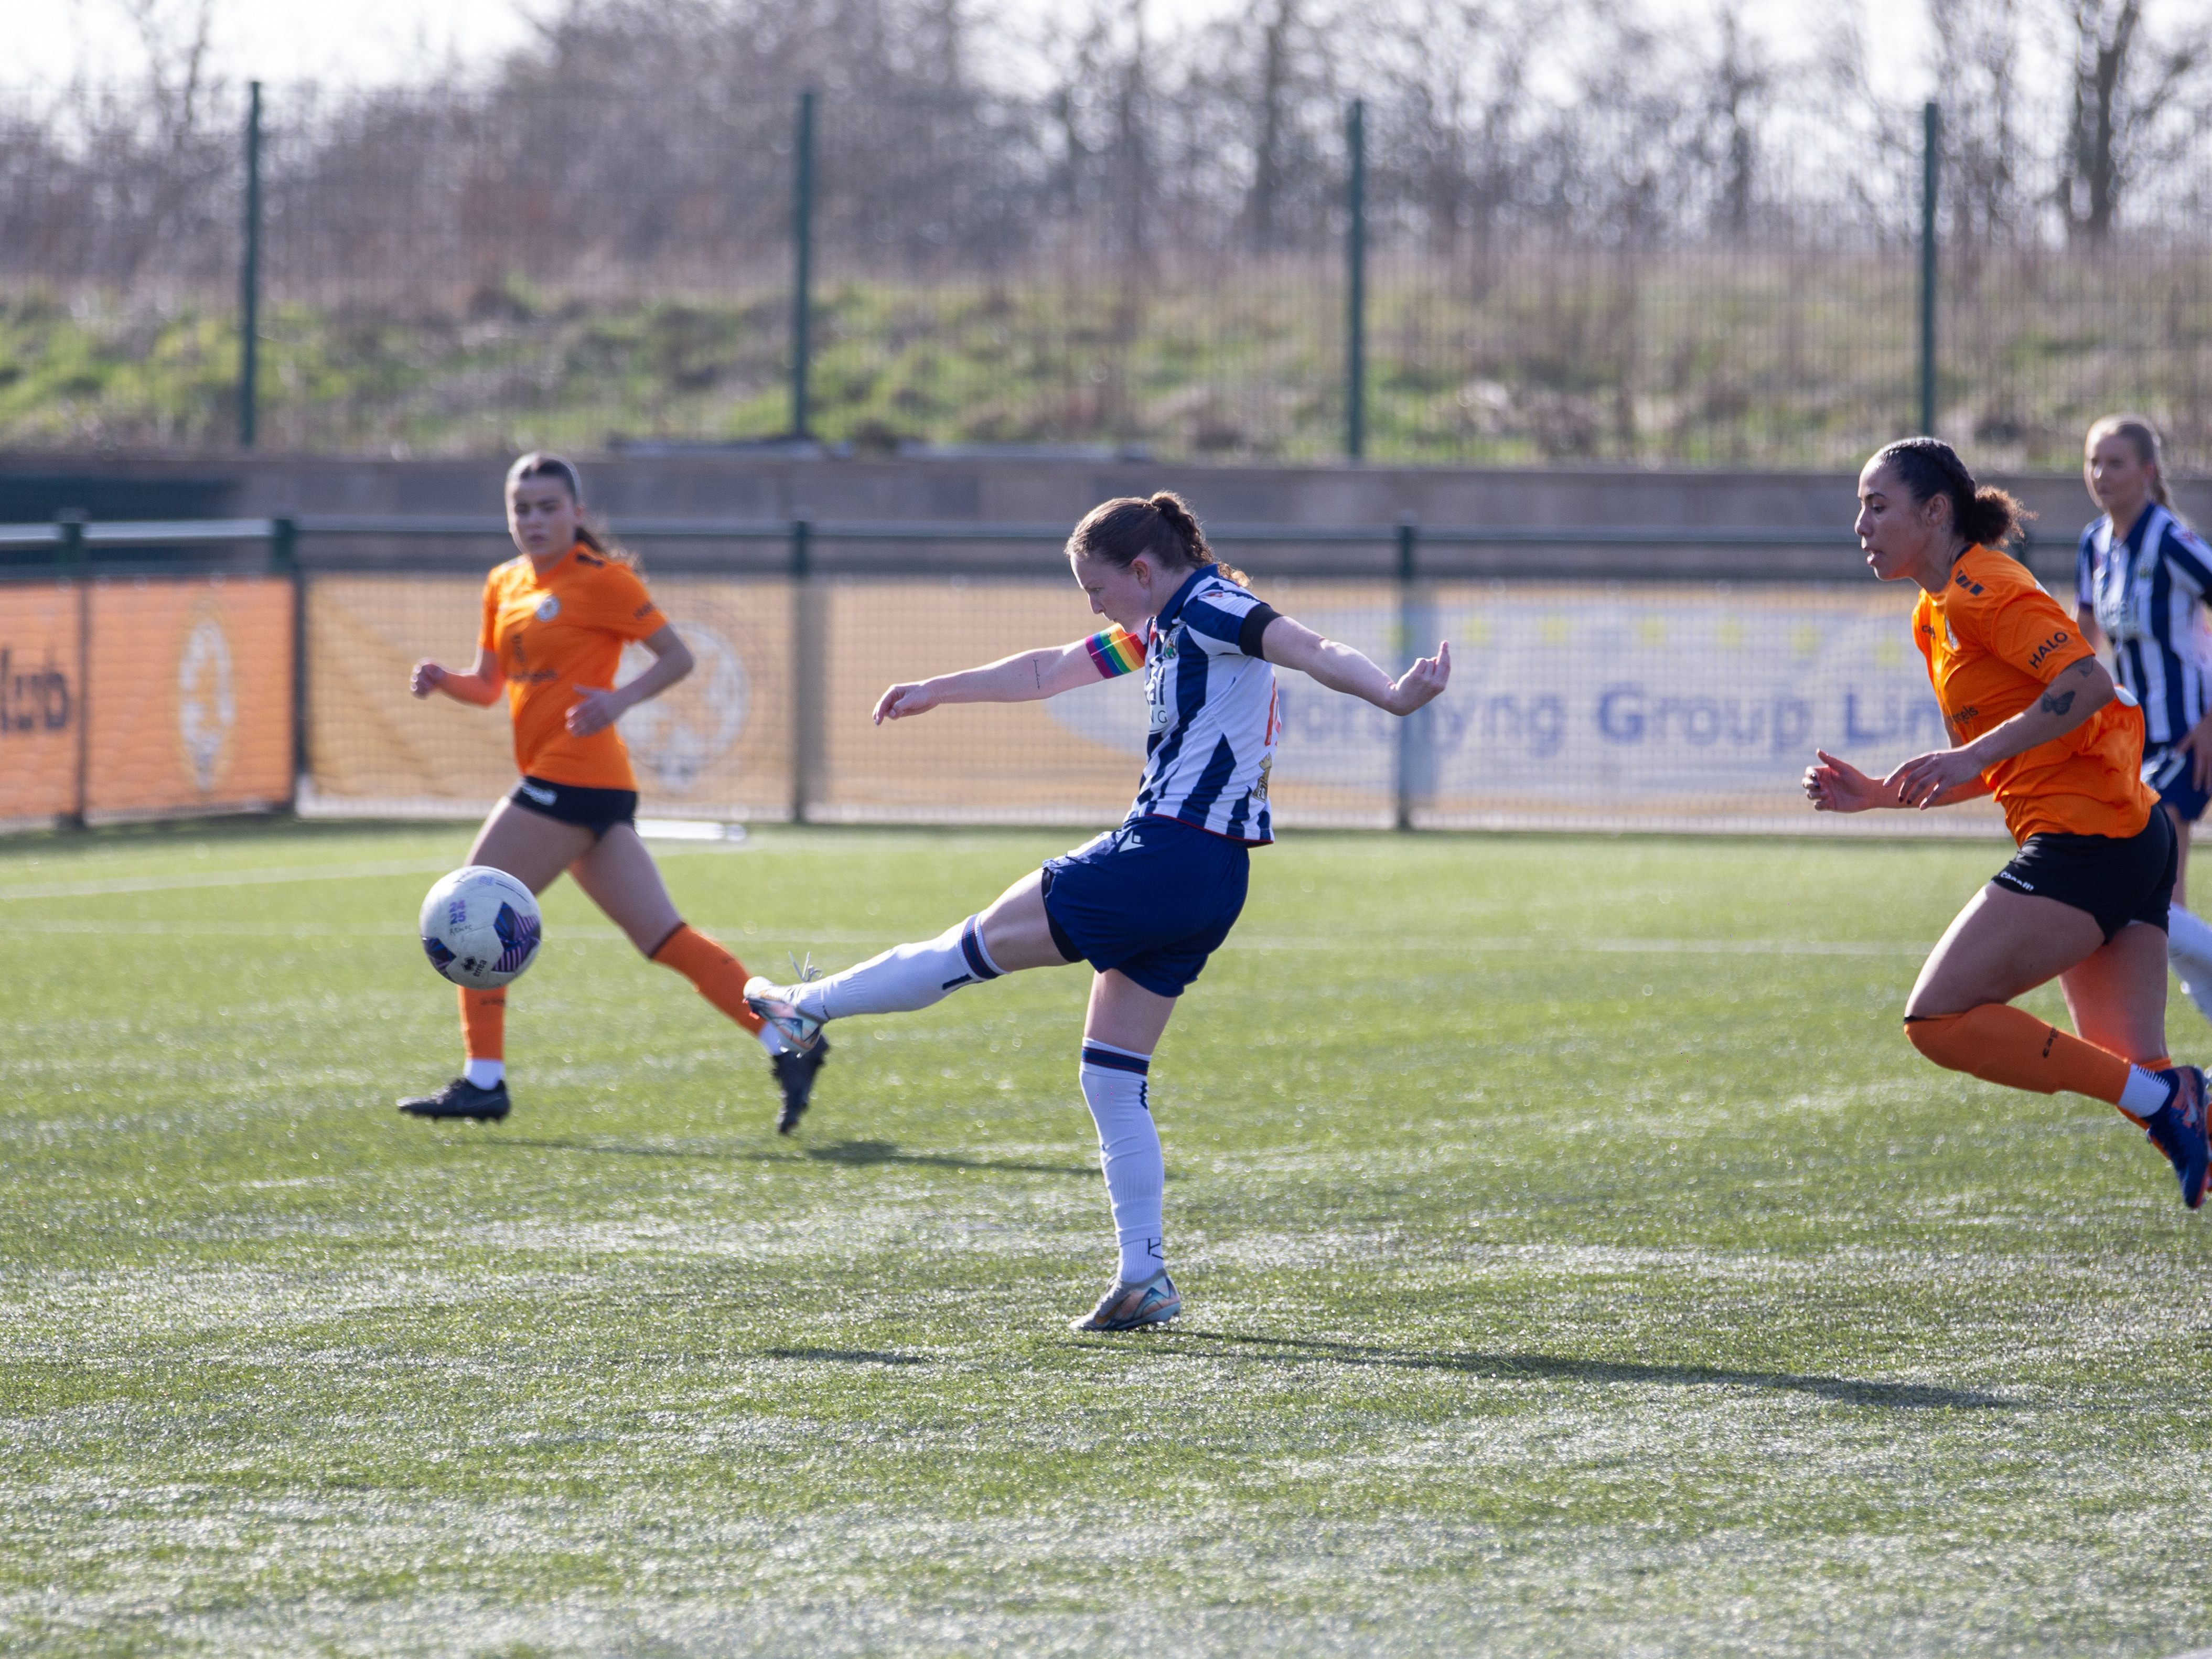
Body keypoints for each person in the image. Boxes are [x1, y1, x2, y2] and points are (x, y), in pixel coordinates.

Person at [743, 492, 1451, 1331]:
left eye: (1096, 587)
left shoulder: (1213, 603)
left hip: (1163, 853)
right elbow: (1048, 669)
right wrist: (938, 687)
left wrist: (1392, 696)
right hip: (1213, 879)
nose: (1093, 604)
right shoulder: (1157, 623)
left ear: (1142, 570)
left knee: (967, 945)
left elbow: (1308, 645)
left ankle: (803, 1013)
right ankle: (1142, 1276)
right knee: (1111, 1076)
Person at [1802, 436, 2209, 1208]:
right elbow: (1997, 762)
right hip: (2123, 837)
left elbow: (2086, 682)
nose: (1860, 523)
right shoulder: (1932, 615)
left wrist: (1965, 757)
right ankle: (2188, 1103)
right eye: (1860, 506)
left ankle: (2180, 1097)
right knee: (2138, 1074)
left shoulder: (1981, 584)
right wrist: (1882, 794)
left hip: (2090, 839)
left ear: (1934, 511)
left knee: (1936, 1018)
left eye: (1876, 505)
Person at [399, 452, 826, 1130]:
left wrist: (615, 701)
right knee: (662, 935)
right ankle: (788, 1034)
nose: (533, 519)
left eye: (547, 506)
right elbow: (486, 686)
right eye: (521, 507)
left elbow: (678, 657)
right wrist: (441, 679)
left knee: (471, 899)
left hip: (575, 773)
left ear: (577, 513)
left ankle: (485, 1080)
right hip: (583, 787)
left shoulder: (605, 580)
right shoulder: (502, 582)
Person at [2072, 415, 2212, 1025]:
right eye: (2094, 461)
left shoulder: (2172, 541)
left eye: (2116, 462)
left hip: (2189, 734)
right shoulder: (2094, 544)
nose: (2102, 474)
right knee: (2162, 905)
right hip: (2132, 744)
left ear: (2149, 472)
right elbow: (2083, 639)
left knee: (2156, 899)